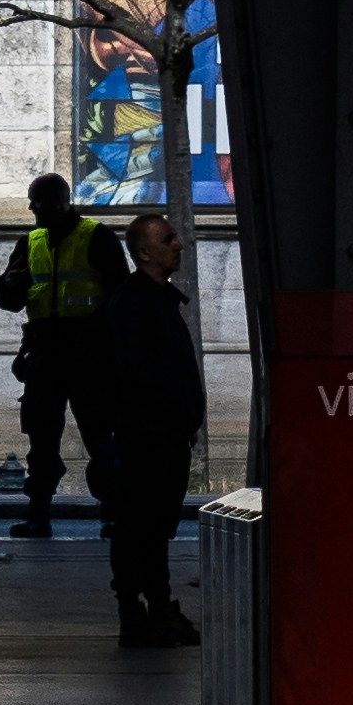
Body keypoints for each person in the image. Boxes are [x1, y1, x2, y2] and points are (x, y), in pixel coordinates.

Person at [89, 209, 209, 649]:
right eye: (168, 239)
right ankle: (141, 611)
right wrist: (172, 416)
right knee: (140, 525)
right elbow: (143, 374)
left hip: (162, 436)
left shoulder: (154, 299)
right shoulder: (134, 304)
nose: (178, 244)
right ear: (144, 252)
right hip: (148, 440)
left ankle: (155, 608)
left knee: (153, 528)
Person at [0, 172, 123, 537]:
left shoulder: (98, 237)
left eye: (38, 200)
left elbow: (120, 298)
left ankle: (113, 514)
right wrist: (7, 285)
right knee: (41, 440)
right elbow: (9, 300)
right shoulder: (29, 242)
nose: (31, 207)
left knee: (100, 437)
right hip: (45, 354)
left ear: (61, 201)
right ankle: (38, 515)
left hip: (88, 355)